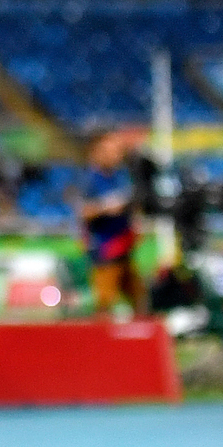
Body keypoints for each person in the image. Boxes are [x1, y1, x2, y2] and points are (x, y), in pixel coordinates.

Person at [80, 131, 147, 316]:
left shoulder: (121, 176)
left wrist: (136, 221)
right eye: (110, 151)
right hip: (105, 248)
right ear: (97, 152)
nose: (116, 156)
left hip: (124, 244)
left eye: (118, 151)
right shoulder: (89, 179)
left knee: (138, 296)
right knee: (105, 300)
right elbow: (83, 212)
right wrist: (105, 208)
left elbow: (132, 203)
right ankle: (101, 340)